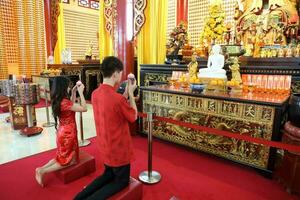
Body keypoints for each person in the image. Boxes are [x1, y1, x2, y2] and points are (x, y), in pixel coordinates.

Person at [74, 56, 137, 200]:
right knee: (121, 182)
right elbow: (133, 116)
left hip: (105, 146)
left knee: (108, 175)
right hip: (119, 149)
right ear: (115, 73)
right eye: (120, 73)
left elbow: (114, 108)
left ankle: (78, 197)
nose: (121, 76)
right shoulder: (118, 99)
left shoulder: (95, 94)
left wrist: (124, 96)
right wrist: (131, 94)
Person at [35, 76, 87, 187]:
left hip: (62, 132)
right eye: (68, 86)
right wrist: (81, 93)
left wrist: (73, 92)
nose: (69, 88)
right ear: (63, 88)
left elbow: (71, 105)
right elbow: (84, 108)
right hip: (68, 134)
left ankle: (41, 168)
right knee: (68, 161)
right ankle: (43, 171)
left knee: (60, 157)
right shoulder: (64, 102)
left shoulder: (59, 100)